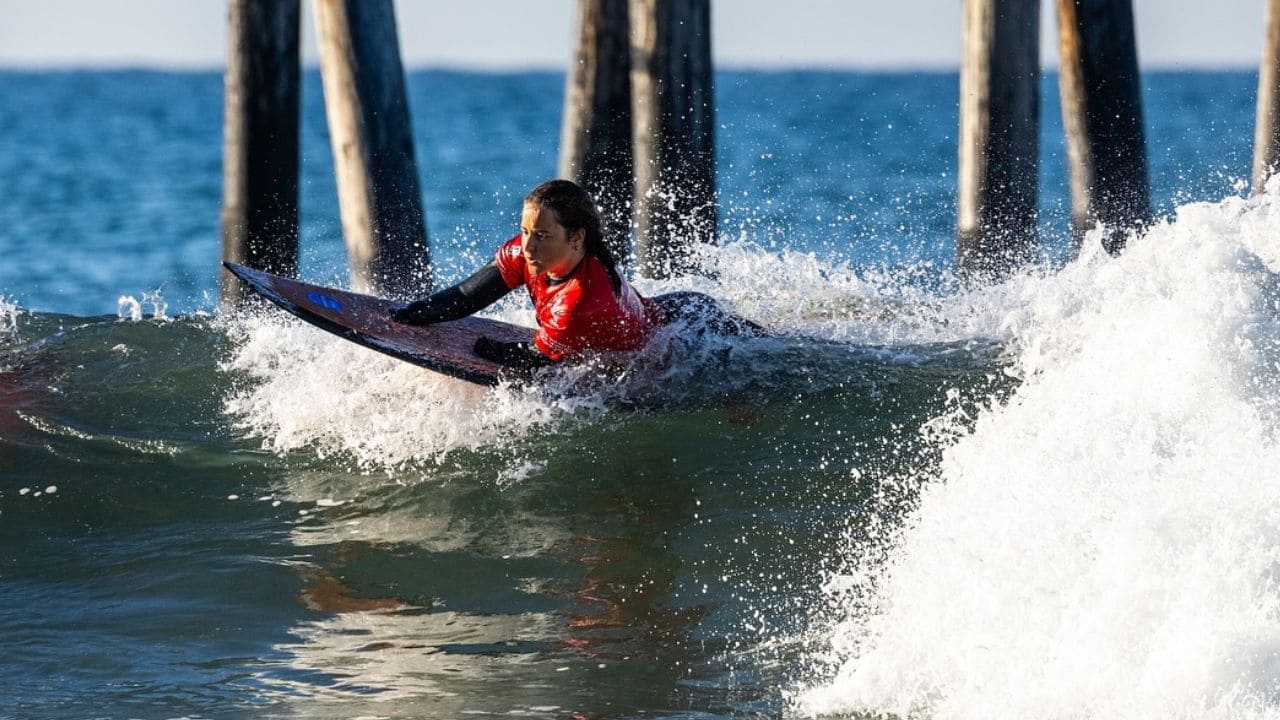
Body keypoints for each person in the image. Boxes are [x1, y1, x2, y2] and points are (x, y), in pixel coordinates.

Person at [390, 179, 758, 372]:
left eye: (542, 235)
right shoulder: (528, 254)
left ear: (576, 238)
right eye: (525, 231)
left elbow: (534, 358)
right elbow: (467, 297)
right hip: (668, 311)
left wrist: (480, 348)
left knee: (765, 356)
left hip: (690, 330)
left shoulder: (581, 300)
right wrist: (413, 313)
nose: (528, 245)